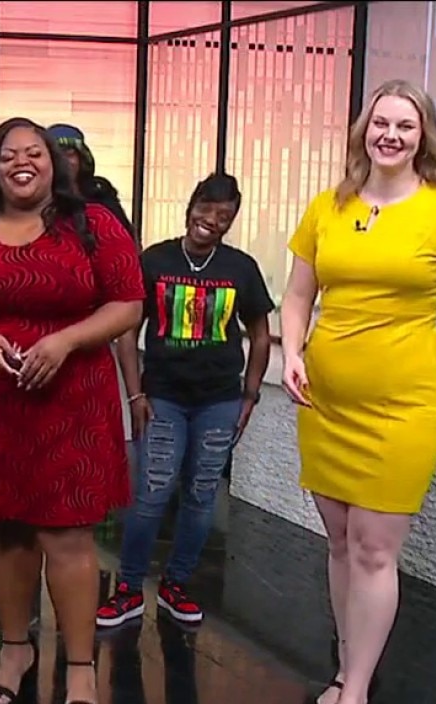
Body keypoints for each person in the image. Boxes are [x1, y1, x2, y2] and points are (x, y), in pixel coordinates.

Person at [0, 118, 144, 704]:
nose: (22, 162)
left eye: (34, 152)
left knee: (68, 535)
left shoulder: (94, 225)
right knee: (11, 531)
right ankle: (15, 652)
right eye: (8, 154)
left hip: (72, 402)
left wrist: (65, 341)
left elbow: (128, 303)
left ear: (55, 163)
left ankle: (80, 667)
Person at [281, 79, 436, 704]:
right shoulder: (329, 207)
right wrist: (290, 353)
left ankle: (356, 692)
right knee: (341, 543)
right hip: (325, 403)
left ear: (424, 137)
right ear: (363, 130)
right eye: (380, 123)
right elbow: (297, 296)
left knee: (373, 548)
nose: (390, 136)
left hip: (402, 406)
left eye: (405, 126)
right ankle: (347, 667)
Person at [96, 173, 273, 629]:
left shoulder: (240, 268)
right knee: (152, 492)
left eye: (223, 216)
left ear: (231, 222)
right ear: (190, 206)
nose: (211, 220)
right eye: (205, 208)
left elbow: (260, 335)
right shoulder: (155, 260)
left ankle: (176, 584)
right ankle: (128, 589)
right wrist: (135, 393)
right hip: (163, 398)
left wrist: (250, 395)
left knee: (201, 494)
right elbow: (126, 332)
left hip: (219, 400)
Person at [46, 124, 136, 244]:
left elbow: (125, 241)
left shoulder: (100, 194)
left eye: (69, 154)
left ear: (82, 159)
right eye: (57, 157)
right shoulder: (37, 198)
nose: (63, 162)